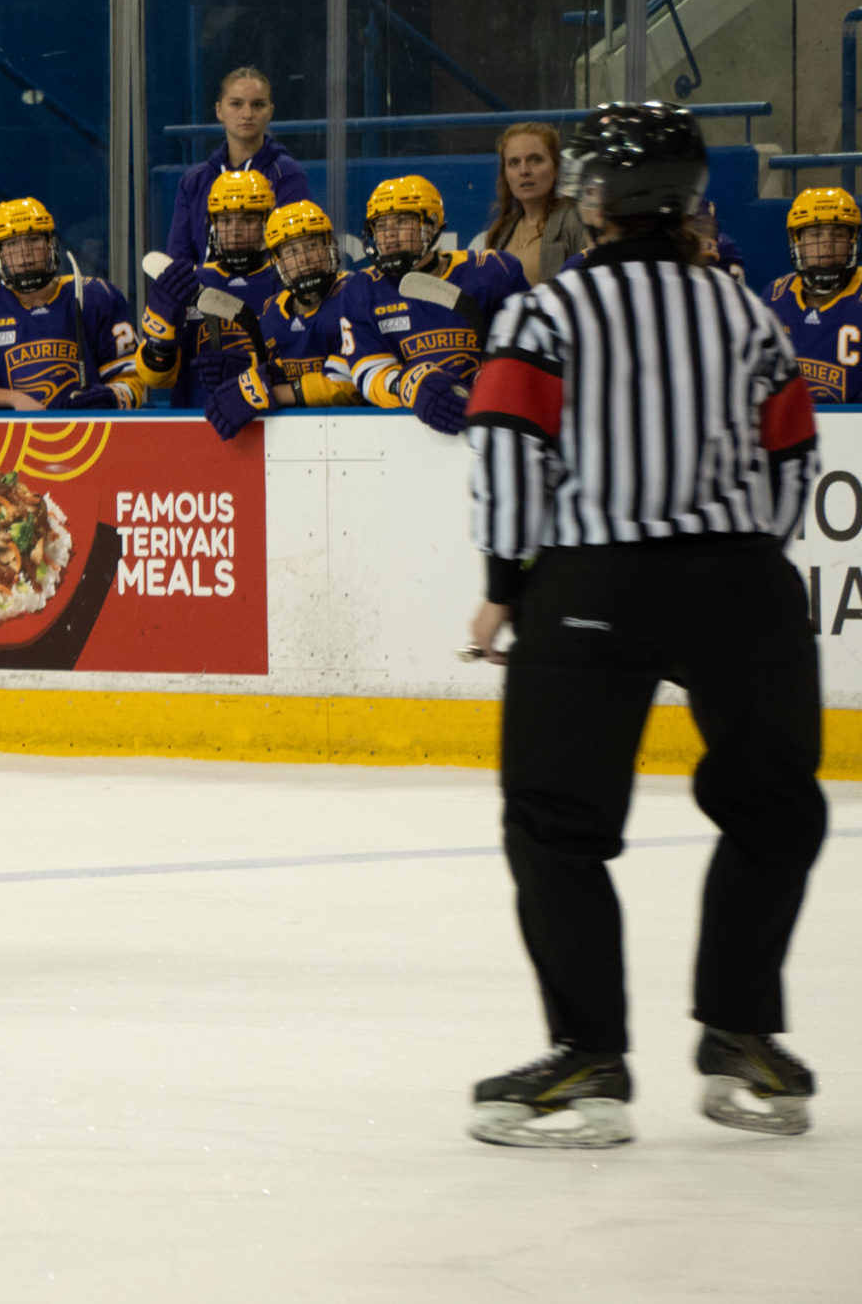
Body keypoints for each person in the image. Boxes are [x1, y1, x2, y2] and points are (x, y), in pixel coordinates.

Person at [461, 102, 825, 1150]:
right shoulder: (746, 312)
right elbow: (789, 456)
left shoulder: (550, 312)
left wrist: (504, 580)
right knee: (772, 808)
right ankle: (739, 1031)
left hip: (593, 581)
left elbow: (506, 449)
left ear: (599, 202)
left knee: (552, 823)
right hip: (739, 583)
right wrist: (738, 559)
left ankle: (588, 1057)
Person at [342, 174, 527, 435]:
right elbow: (369, 372)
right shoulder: (363, 290)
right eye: (381, 225)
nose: (389, 235)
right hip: (411, 433)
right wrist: (409, 384)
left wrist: (499, 376)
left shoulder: (492, 271)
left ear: (432, 224)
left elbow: (528, 348)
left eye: (402, 221)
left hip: (497, 423)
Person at [0, 198, 141, 410]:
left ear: (50, 244)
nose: (24, 252)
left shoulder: (95, 296)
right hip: (4, 439)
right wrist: (12, 399)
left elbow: (131, 376)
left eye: (33, 240)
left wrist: (114, 397)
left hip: (88, 436)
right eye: (12, 244)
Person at [196, 200, 379, 442]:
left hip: (361, 436)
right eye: (292, 251)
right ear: (276, 260)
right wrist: (245, 367)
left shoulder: (356, 294)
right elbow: (280, 368)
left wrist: (270, 392)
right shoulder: (272, 310)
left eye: (312, 245)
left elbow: (344, 384)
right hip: (293, 440)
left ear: (330, 247)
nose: (304, 258)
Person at [134, 168, 277, 410]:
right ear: (213, 224)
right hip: (192, 422)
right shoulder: (187, 281)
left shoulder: (283, 281)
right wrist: (160, 335)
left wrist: (254, 368)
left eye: (248, 219)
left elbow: (300, 361)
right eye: (226, 220)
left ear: (266, 221)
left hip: (270, 424)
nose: (236, 230)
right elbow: (154, 379)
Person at [164, 67, 308, 266]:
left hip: (269, 294)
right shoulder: (194, 180)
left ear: (270, 111)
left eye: (258, 105)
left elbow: (295, 252)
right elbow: (179, 256)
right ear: (219, 110)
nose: (247, 114)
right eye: (236, 104)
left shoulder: (287, 173)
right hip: (205, 294)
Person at [764, 187, 862, 403]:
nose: (826, 243)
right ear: (797, 241)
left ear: (851, 242)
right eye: (815, 234)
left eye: (837, 234)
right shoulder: (776, 295)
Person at [475, 121, 587, 285]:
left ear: (556, 168)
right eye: (514, 162)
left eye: (535, 160)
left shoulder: (576, 222)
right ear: (505, 174)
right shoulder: (501, 232)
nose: (524, 171)